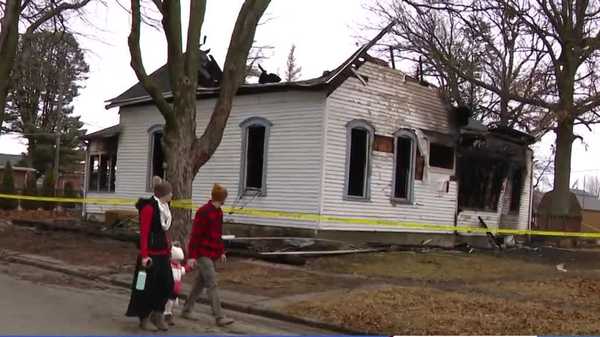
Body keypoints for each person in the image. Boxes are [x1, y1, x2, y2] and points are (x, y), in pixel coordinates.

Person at [182, 183, 234, 326]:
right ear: (221, 198)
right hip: (202, 253)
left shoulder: (219, 212)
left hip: (213, 253)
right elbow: (195, 235)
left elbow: (218, 234)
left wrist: (221, 251)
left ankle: (186, 309)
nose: (225, 200)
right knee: (212, 284)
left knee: (199, 284)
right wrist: (192, 256)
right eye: (224, 197)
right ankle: (219, 316)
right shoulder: (203, 212)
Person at [126, 176, 174, 332]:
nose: (172, 195)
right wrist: (145, 255)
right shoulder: (148, 208)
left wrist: (170, 247)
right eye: (170, 193)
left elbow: (165, 230)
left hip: (163, 254)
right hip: (149, 256)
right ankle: (143, 317)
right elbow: (144, 233)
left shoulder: (166, 208)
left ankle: (158, 314)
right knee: (144, 287)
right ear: (163, 194)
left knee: (168, 284)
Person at [164, 244, 190, 326]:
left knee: (174, 303)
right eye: (177, 260)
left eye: (179, 260)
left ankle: (168, 313)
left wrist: (189, 267)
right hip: (170, 286)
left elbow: (183, 270)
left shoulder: (179, 267)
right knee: (169, 302)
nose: (178, 262)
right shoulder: (169, 267)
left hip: (176, 288)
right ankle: (167, 315)